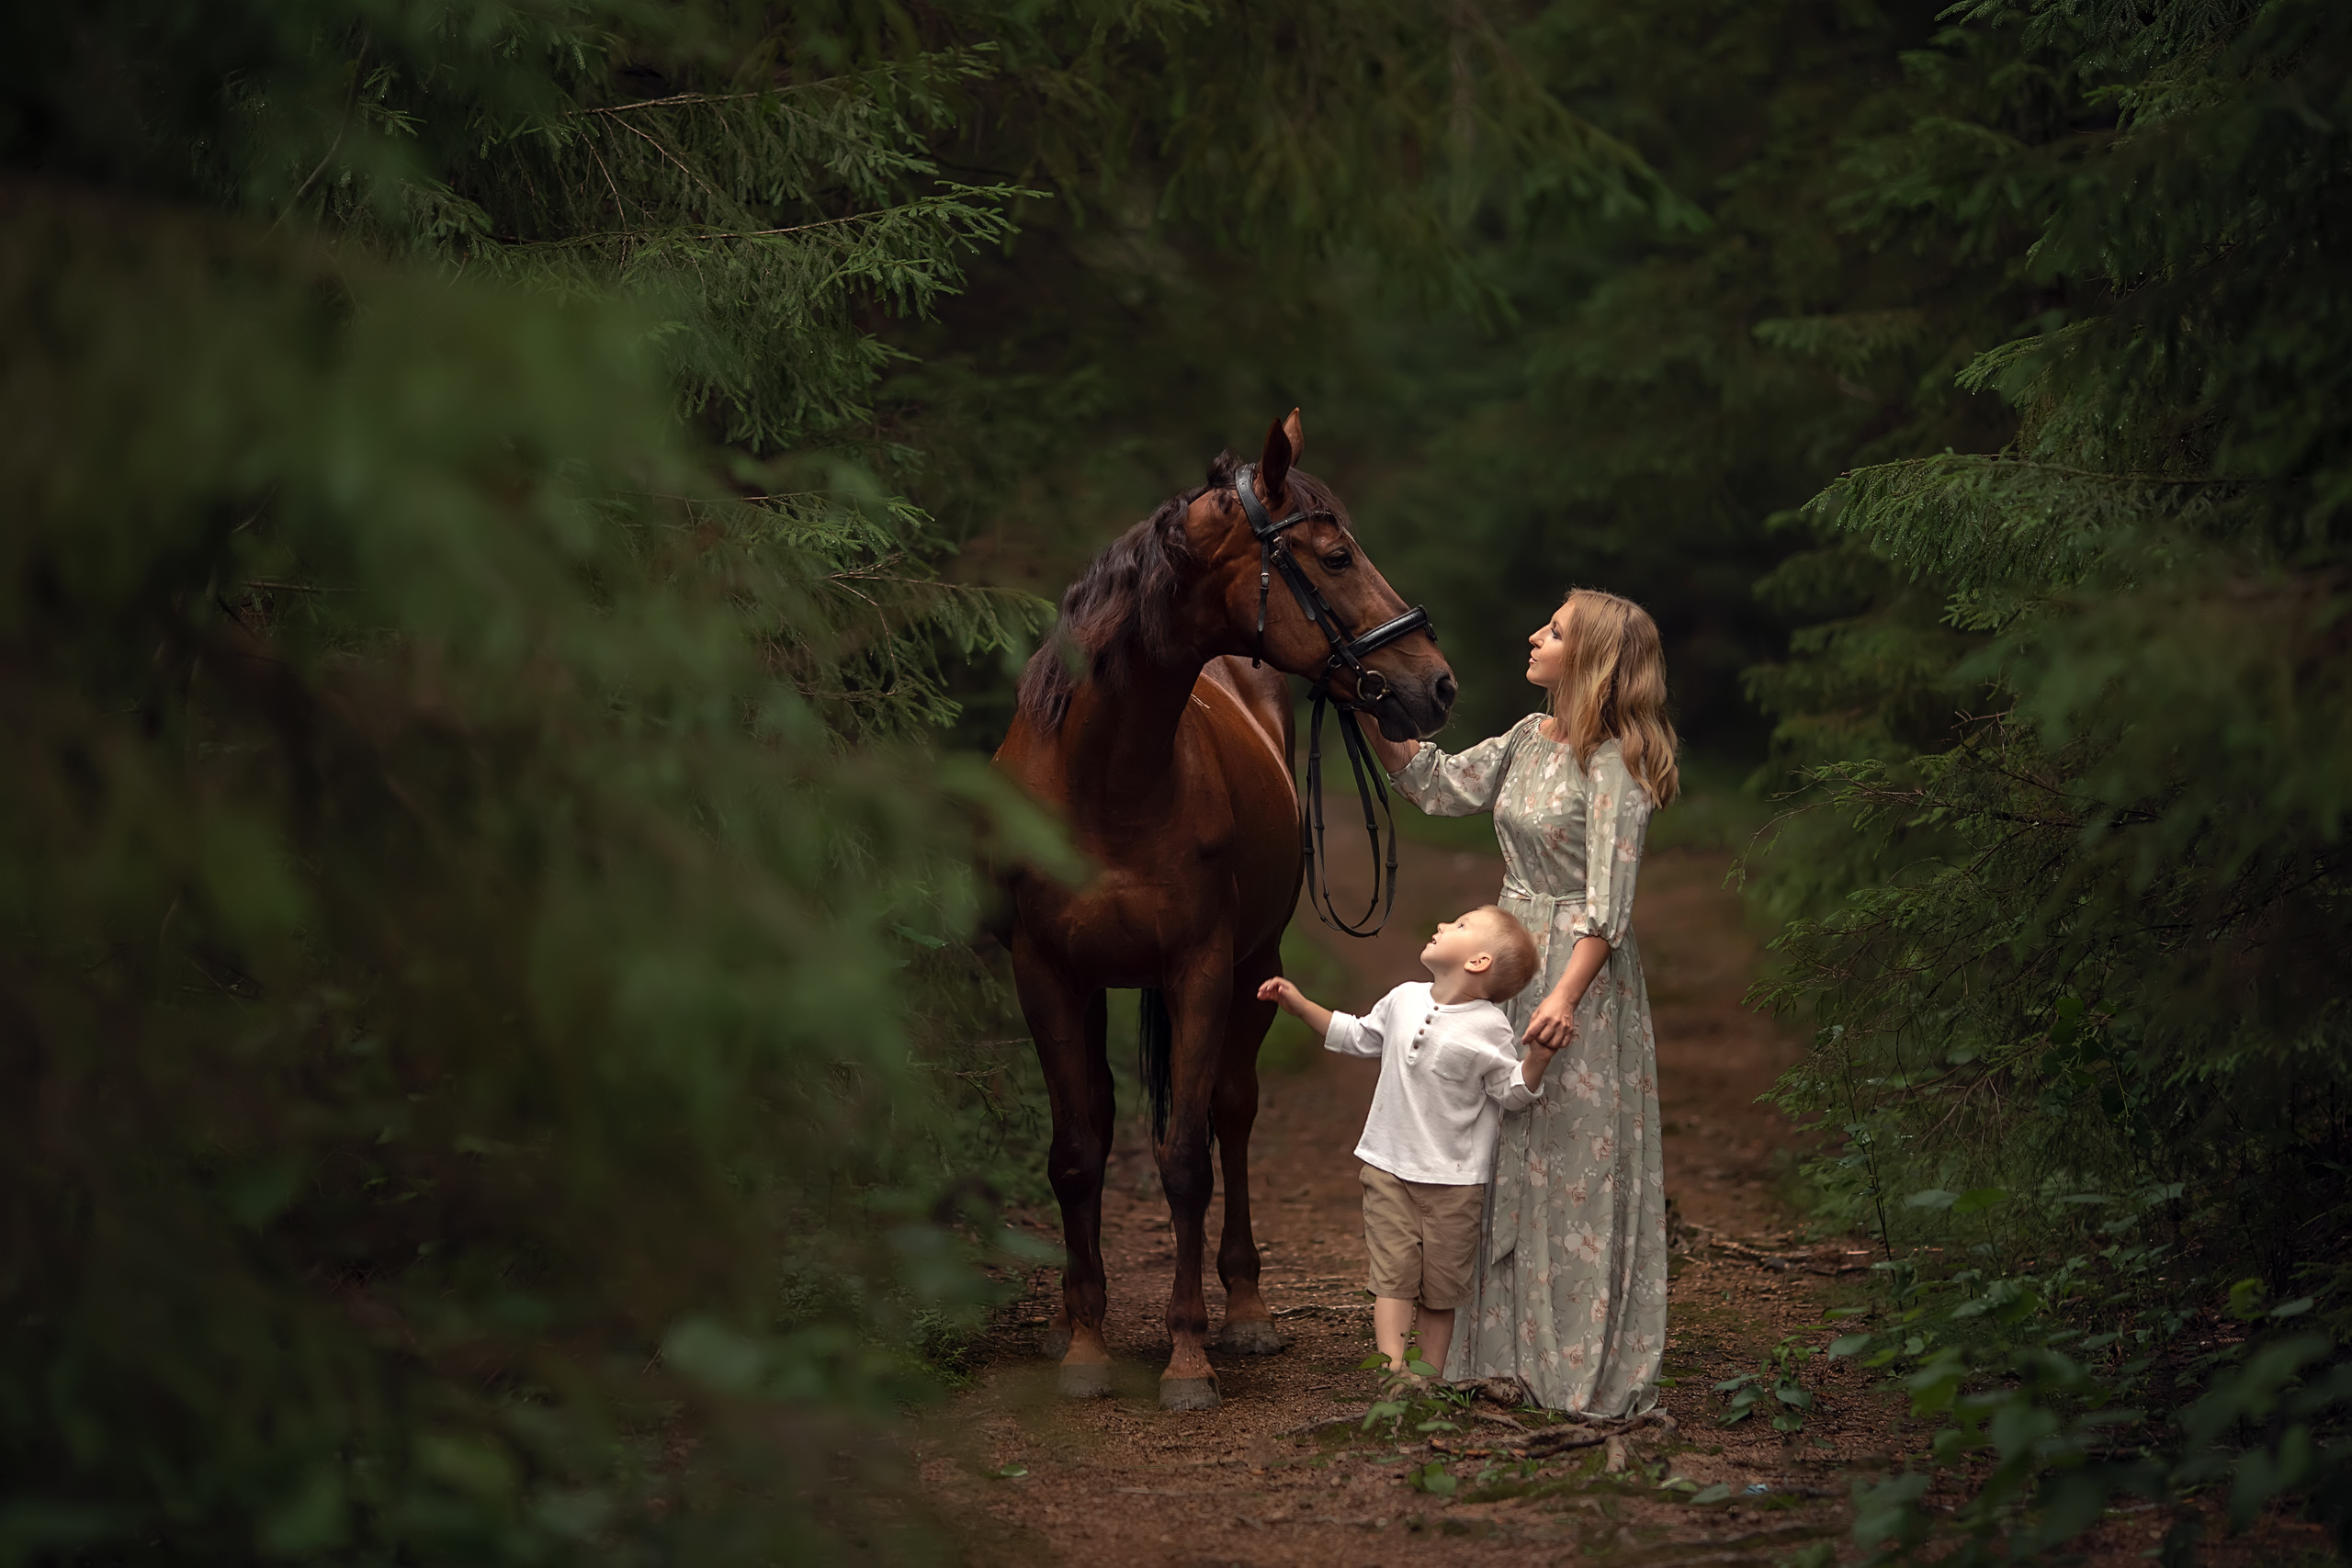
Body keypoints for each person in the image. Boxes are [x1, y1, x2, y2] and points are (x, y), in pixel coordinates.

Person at [1355, 588, 1680, 1415]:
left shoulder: (1615, 765)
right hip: (1506, 960)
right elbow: (1435, 784)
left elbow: (1609, 904)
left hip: (1577, 973)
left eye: (1556, 630)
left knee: (1568, 1161)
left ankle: (1568, 1358)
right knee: (1492, 1151)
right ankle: (1488, 1348)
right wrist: (1362, 704)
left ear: (1594, 659)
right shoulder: (1531, 739)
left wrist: (1566, 997)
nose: (1534, 635)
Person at [1258, 907, 1546, 1375]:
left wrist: (1539, 1059)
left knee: (1440, 1290)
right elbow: (1358, 1036)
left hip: (1454, 1184)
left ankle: (1427, 1385)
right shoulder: (1404, 998)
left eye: (1459, 926)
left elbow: (1509, 1092)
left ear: (1478, 962)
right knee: (1392, 1277)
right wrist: (1301, 1005)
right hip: (1387, 1166)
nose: (1441, 925)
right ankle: (1393, 1377)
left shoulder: (1490, 1026)